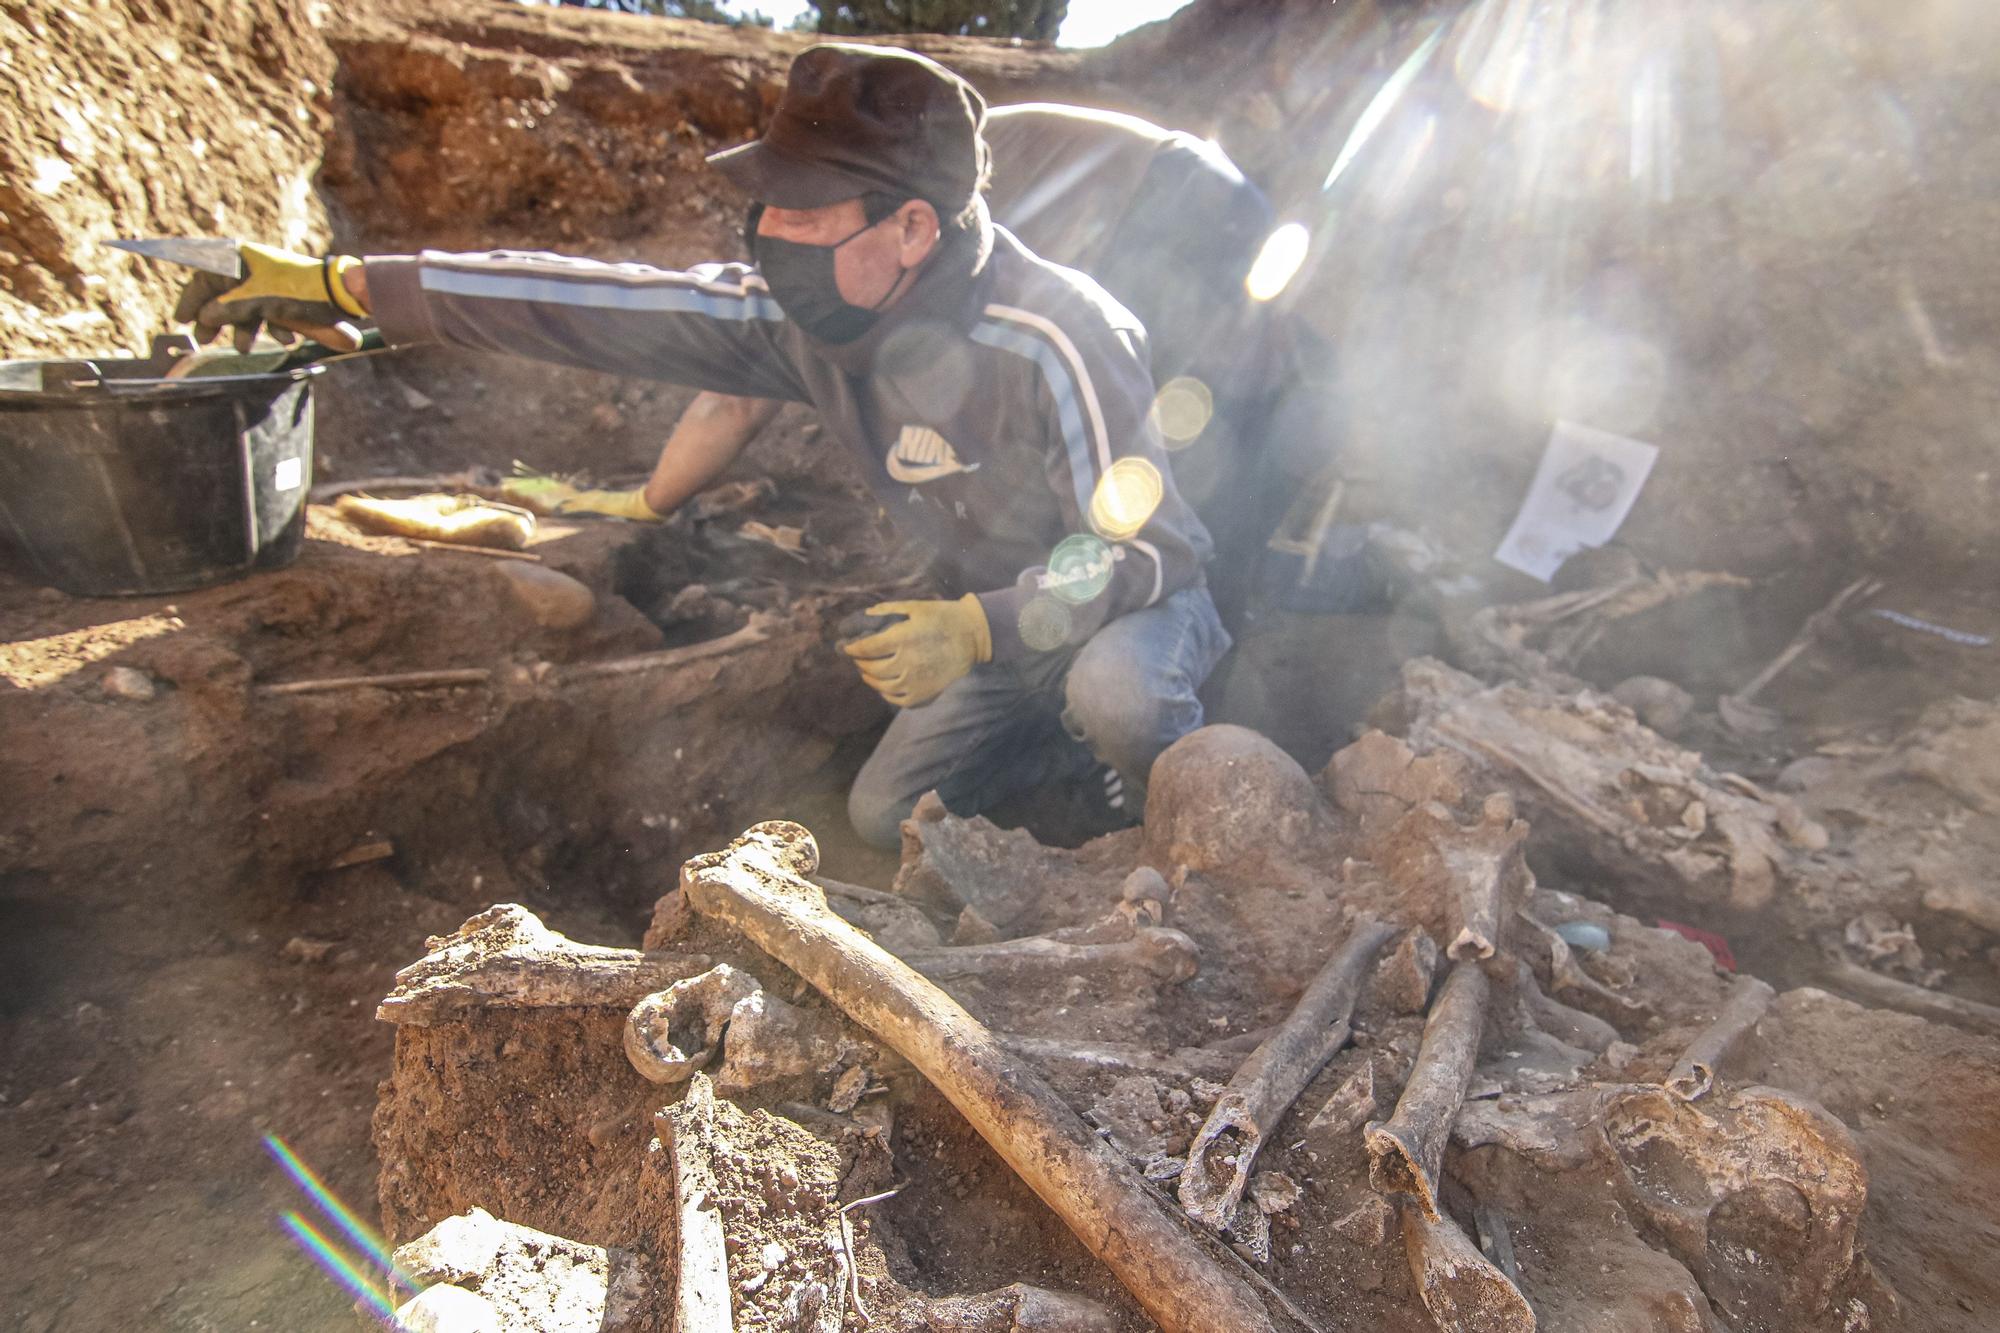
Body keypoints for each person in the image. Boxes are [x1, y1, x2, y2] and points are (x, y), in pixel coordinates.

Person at [179, 44, 1231, 850]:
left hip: (1119, 608)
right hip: (997, 627)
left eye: (805, 213)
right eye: (767, 202)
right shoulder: (796, 315)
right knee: (878, 817)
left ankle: (1170, 821)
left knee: (1119, 697)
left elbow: (1147, 553)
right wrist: (348, 284)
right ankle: (1055, 766)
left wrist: (977, 624)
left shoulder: (1061, 334)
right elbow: (590, 305)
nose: (769, 232)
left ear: (912, 228)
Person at [511, 101, 1296, 627]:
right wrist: (650, 502)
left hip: (1169, 204)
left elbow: (739, 401)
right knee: (1189, 440)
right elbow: (735, 397)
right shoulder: (883, 205)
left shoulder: (919, 220)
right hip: (1194, 196)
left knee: (1184, 459)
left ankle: (1200, 684)